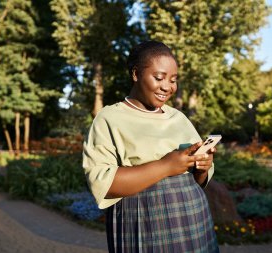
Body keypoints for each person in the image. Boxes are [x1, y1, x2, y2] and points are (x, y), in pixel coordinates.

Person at [83, 40, 219, 252]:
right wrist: (166, 166)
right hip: (143, 224)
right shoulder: (110, 118)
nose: (168, 86)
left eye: (173, 80)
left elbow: (199, 181)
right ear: (136, 74)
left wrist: (202, 165)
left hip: (195, 220)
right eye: (159, 78)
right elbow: (103, 184)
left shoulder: (179, 118)